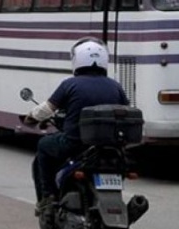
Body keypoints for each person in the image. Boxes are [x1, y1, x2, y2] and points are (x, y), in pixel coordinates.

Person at [25, 37, 129, 214]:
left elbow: (47, 109)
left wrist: (31, 117)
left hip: (74, 143)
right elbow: (126, 110)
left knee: (43, 146)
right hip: (111, 146)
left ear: (77, 60)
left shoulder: (70, 84)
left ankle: (47, 197)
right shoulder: (115, 86)